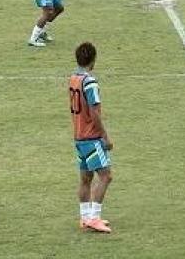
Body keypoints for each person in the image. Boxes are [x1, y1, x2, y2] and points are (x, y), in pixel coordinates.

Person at [69, 42, 114, 232]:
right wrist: (105, 136)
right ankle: (94, 218)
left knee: (85, 178)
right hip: (91, 137)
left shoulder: (73, 78)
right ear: (93, 60)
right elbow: (94, 111)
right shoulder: (90, 82)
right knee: (106, 176)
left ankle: (85, 216)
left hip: (79, 136)